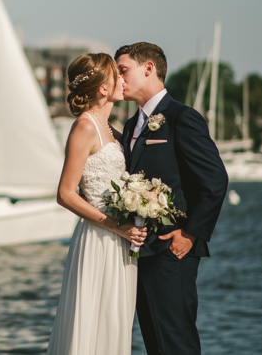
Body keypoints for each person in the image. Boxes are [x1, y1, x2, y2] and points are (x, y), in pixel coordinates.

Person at [116, 42, 228, 355]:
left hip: (172, 251)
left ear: (148, 68)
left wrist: (191, 233)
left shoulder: (182, 118)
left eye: (123, 71)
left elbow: (215, 180)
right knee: (154, 342)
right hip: (140, 251)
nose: (118, 79)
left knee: (176, 342)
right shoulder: (129, 125)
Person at [47, 53, 148, 355]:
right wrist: (117, 227)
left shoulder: (114, 131)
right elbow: (65, 193)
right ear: (103, 88)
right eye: (117, 75)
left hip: (121, 241)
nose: (122, 80)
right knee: (93, 322)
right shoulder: (85, 127)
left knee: (114, 324)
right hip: (99, 237)